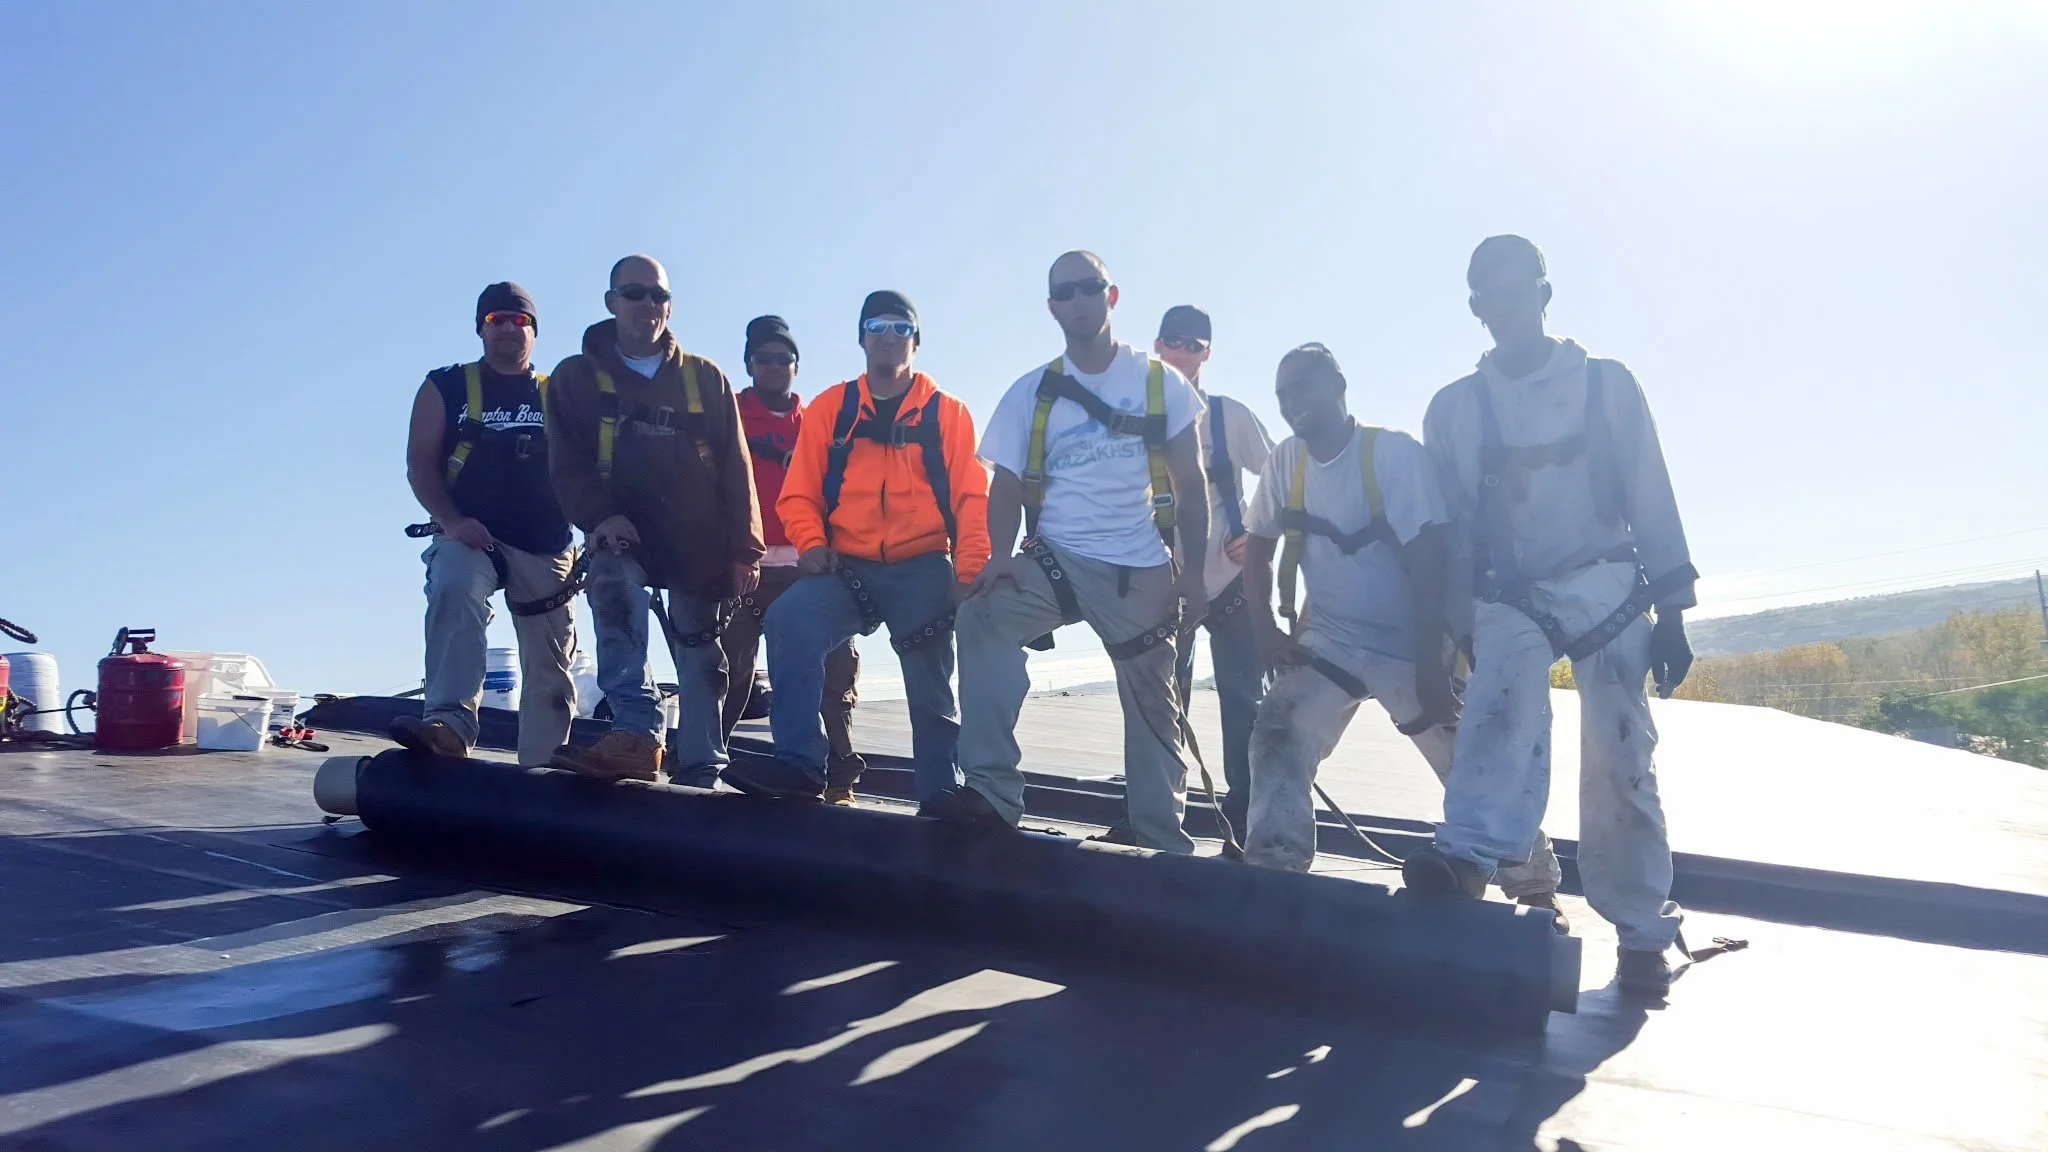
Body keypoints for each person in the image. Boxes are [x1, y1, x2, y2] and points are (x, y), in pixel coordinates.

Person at [1416, 235, 1697, 993]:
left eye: (1519, 291)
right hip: (1513, 593)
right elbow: (1451, 532)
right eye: (1491, 297)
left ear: (1545, 294)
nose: (1507, 308)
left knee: (1620, 754)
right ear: (1476, 309)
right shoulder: (1454, 411)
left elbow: (1651, 492)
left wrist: (1672, 616)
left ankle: (1642, 928)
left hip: (1610, 583)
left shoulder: (1606, 387)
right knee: (1501, 704)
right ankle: (1468, 856)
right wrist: (1450, 634)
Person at [1237, 343, 1567, 930]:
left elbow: (1431, 558)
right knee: (1279, 730)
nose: (1294, 404)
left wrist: (1429, 668)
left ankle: (1531, 880)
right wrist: (1265, 633)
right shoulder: (1287, 463)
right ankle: (1274, 874)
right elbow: (1257, 546)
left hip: (1412, 640)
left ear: (1339, 386)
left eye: (1305, 388)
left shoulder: (1392, 456)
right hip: (1332, 638)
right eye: (1284, 394)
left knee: (1468, 758)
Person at [933, 251, 1210, 854]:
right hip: (1056, 557)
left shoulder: (1163, 384)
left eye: (1091, 288)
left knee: (1151, 696)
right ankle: (992, 794)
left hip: (1138, 567)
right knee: (982, 617)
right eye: (1067, 292)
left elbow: (1192, 484)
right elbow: (1004, 485)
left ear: (1112, 297)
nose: (1080, 300)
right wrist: (998, 557)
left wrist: (1190, 573)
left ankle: (1161, 839)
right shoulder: (1030, 392)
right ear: (1053, 306)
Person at [723, 292, 988, 807]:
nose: (888, 335)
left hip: (926, 566)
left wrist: (969, 574)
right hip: (848, 565)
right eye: (876, 325)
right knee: (789, 620)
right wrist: (812, 544)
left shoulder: (948, 414)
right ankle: (800, 765)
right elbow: (797, 492)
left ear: (916, 339)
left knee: (931, 691)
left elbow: (973, 501)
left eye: (899, 326)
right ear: (861, 337)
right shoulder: (832, 408)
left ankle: (939, 797)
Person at [543, 255, 763, 785]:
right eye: (635, 294)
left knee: (701, 652)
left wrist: (745, 549)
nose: (648, 305)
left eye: (658, 296)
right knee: (613, 589)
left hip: (697, 539)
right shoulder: (575, 379)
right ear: (611, 302)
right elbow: (567, 465)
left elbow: (737, 467)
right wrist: (600, 516)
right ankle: (638, 734)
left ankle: (703, 763)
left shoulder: (704, 378)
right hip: (624, 535)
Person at [394, 282, 578, 767]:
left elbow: (592, 466)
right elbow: (420, 464)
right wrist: (452, 522)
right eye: (497, 320)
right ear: (481, 328)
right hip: (470, 536)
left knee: (550, 654)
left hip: (545, 545)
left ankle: (545, 762)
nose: (510, 330)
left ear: (535, 332)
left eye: (521, 321)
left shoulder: (558, 393)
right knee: (454, 584)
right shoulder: (446, 385)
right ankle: (448, 724)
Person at [718, 315, 865, 803]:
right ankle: (704, 765)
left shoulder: (819, 421)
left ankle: (838, 778)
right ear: (749, 364)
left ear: (797, 367)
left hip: (810, 572)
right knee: (730, 669)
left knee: (834, 668)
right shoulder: (727, 414)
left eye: (784, 359)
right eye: (765, 358)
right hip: (743, 569)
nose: (775, 366)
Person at [1153, 304, 1273, 846]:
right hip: (1163, 584)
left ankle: (1246, 822)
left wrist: (1255, 529)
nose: (1183, 352)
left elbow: (1281, 478)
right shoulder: (1136, 421)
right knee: (1159, 699)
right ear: (1157, 347)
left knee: (1244, 701)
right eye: (1174, 342)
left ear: (1208, 353)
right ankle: (1154, 816)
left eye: (1194, 344)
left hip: (1232, 586)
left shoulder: (1230, 416)